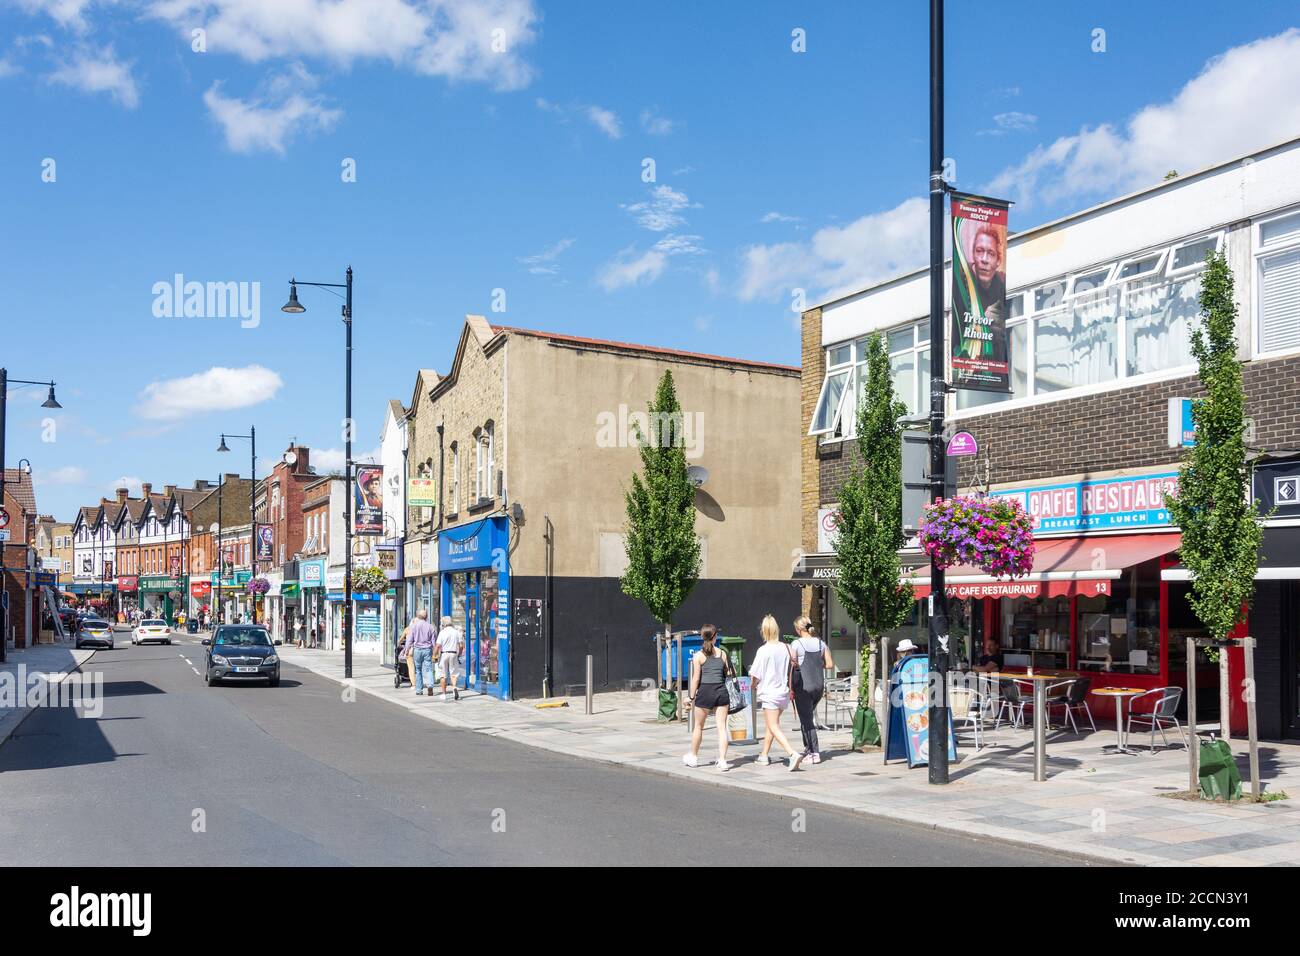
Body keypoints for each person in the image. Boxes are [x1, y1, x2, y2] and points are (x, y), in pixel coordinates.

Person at [747, 615, 802, 771]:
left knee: (773, 726)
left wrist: (753, 685)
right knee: (772, 725)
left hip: (770, 692)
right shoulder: (787, 648)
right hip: (783, 692)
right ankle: (764, 755)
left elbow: (755, 675)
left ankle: (792, 753)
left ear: (764, 631)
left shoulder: (763, 650)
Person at [683, 624, 733, 772]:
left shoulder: (698, 656)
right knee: (722, 727)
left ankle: (693, 757)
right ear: (715, 636)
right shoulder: (722, 654)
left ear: (701, 636)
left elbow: (695, 679)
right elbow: (729, 672)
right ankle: (723, 760)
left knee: (698, 726)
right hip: (721, 692)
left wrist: (690, 697)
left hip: (705, 692)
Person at [790, 615, 834, 765]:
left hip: (804, 686)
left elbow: (792, 664)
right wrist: (816, 665)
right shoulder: (821, 643)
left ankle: (815, 753)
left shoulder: (796, 644)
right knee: (806, 717)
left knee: (807, 720)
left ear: (798, 629)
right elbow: (829, 664)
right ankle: (808, 749)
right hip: (818, 687)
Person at [406, 609, 436, 696]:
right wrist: (435, 651)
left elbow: (410, 640)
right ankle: (430, 685)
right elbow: (433, 641)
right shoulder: (430, 626)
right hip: (427, 649)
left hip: (417, 649)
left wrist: (407, 649)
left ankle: (419, 690)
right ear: (426, 616)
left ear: (417, 616)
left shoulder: (414, 626)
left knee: (418, 670)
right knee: (429, 669)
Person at [434, 615, 462, 702]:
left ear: (443, 624)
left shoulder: (442, 632)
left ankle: (443, 694)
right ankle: (454, 688)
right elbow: (461, 645)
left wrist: (434, 655)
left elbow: (438, 645)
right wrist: (459, 654)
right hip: (453, 653)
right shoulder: (456, 632)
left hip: (444, 654)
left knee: (443, 674)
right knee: (453, 673)